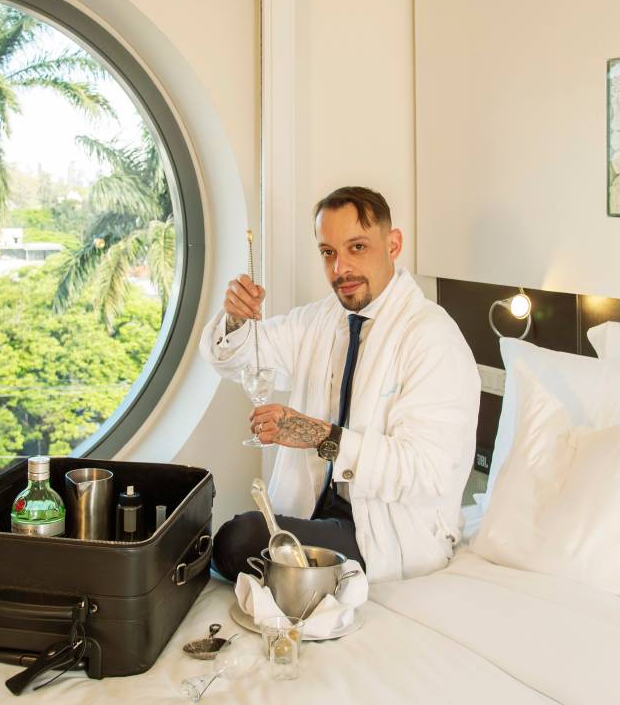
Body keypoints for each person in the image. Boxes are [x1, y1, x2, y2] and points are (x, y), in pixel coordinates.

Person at [200, 186, 480, 583]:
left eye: (357, 247)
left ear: (393, 243)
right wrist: (235, 319)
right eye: (328, 252)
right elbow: (248, 357)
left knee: (238, 539)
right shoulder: (322, 319)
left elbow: (427, 471)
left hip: (386, 534)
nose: (340, 269)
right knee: (216, 537)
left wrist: (321, 436)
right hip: (318, 513)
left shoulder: (433, 338)